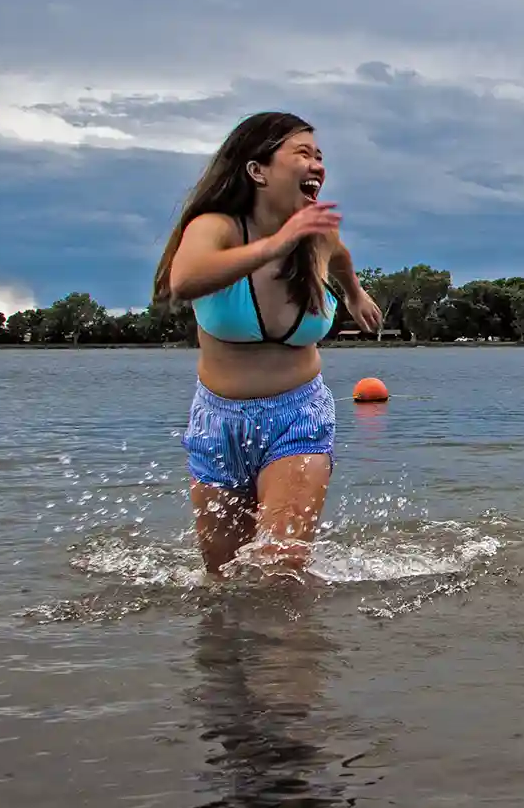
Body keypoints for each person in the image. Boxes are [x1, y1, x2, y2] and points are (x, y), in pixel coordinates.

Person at [153, 113, 381, 576]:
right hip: (217, 423)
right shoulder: (217, 227)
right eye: (303, 154)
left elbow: (339, 256)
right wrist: (276, 244)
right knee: (222, 578)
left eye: (320, 157)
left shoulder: (318, 235)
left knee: (280, 569)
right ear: (257, 170)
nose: (317, 165)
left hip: (298, 414)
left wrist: (355, 293)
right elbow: (185, 279)